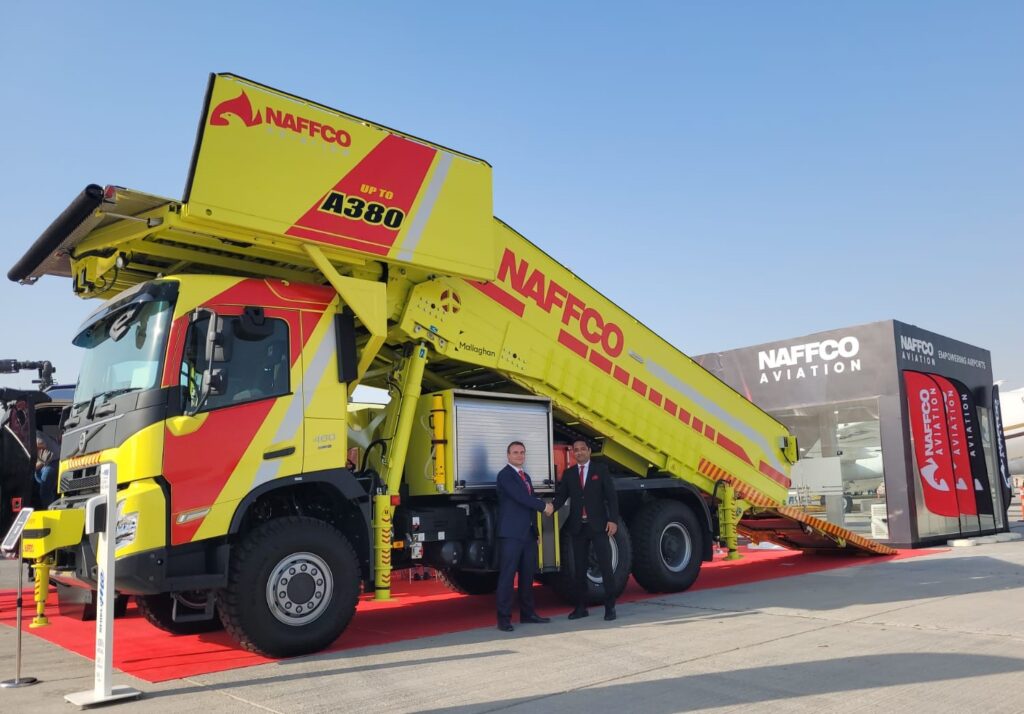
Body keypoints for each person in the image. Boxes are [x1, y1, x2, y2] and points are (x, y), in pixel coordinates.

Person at [553, 438, 621, 621]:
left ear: (589, 451)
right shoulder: (569, 474)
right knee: (579, 569)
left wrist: (613, 521)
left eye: (583, 449)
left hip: (598, 526)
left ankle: (610, 607)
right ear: (573, 453)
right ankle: (580, 608)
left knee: (606, 567)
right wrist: (550, 508)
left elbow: (611, 497)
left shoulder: (601, 470)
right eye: (576, 450)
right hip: (578, 528)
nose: (579, 452)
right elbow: (561, 498)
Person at [495, 441, 554, 632]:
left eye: (522, 452)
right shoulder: (505, 475)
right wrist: (544, 506)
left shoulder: (525, 476)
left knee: (528, 576)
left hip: (527, 534)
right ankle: (504, 619)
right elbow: (521, 498)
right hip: (511, 534)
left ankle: (528, 614)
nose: (519, 455)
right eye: (515, 452)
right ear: (508, 455)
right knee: (507, 576)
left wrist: (535, 532)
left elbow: (528, 507)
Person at [34, 431, 59, 508]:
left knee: (45, 492)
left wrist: (28, 445)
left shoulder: (34, 433)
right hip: (46, 463)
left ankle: (49, 510)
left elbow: (42, 443)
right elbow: (40, 462)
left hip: (53, 462)